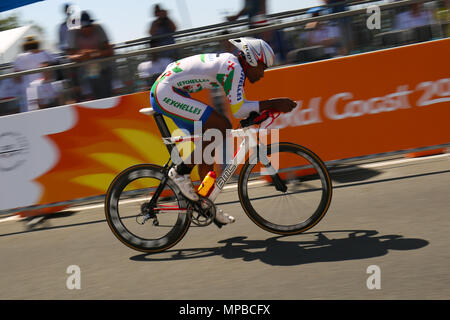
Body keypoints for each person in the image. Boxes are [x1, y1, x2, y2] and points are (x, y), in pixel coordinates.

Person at [149, 37, 297, 225]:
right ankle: (180, 172)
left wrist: (267, 107)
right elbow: (239, 109)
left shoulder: (234, 66)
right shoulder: (234, 69)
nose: (262, 74)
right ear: (252, 60)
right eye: (263, 67)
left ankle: (205, 202)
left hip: (171, 90)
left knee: (208, 145)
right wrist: (274, 103)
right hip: (166, 92)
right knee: (221, 125)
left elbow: (242, 107)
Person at [67, 11, 114, 101]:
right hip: (83, 74)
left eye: (89, 26)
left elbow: (110, 51)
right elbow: (70, 56)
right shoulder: (73, 33)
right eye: (84, 27)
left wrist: (92, 54)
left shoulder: (99, 28)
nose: (87, 29)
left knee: (106, 97)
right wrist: (83, 55)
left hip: (102, 70)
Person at [13, 36, 56, 112]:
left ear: (24, 46)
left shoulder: (20, 57)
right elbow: (49, 68)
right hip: (44, 85)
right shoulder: (45, 53)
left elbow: (17, 78)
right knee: (48, 110)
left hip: (28, 88)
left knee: (33, 112)